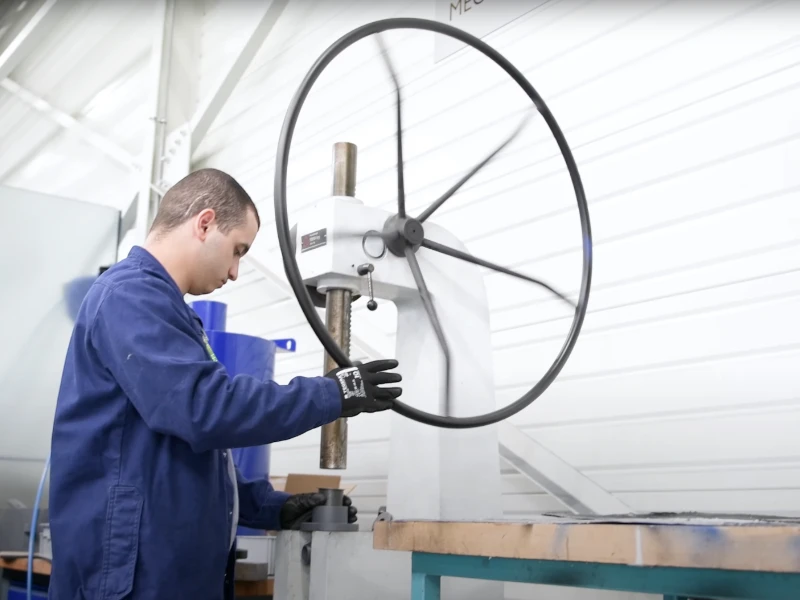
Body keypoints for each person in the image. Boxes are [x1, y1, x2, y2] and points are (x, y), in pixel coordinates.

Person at [47, 168, 402, 600]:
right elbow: (204, 411)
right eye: (238, 250)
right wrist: (333, 393)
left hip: (165, 571)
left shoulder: (168, 310)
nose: (235, 272)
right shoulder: (131, 296)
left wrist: (274, 507)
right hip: (131, 577)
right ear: (204, 223)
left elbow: (193, 452)